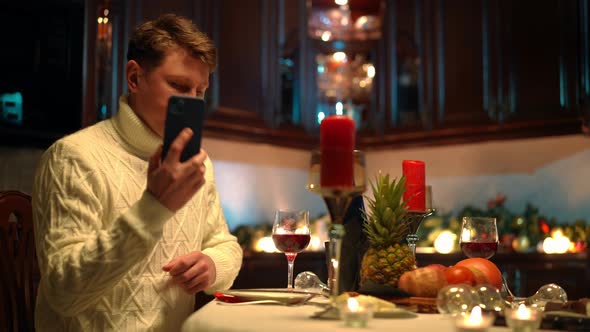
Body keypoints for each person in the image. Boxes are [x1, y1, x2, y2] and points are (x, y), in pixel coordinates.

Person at [31, 14, 242, 331]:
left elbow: (225, 244)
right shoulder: (73, 157)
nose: (192, 102)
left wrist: (213, 265)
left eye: (200, 92)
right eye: (178, 86)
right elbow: (63, 293)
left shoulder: (197, 163)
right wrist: (154, 207)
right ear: (134, 77)